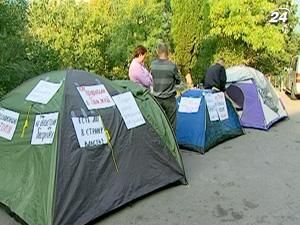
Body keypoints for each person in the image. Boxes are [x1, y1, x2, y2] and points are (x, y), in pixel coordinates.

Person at [151, 42, 181, 130]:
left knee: (159, 124)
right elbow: (178, 81)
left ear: (158, 52)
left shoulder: (153, 65)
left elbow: (151, 78)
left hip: (157, 98)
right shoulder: (172, 66)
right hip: (169, 98)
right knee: (171, 124)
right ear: (167, 52)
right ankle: (171, 143)